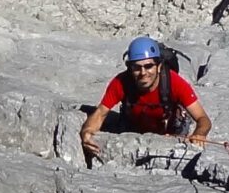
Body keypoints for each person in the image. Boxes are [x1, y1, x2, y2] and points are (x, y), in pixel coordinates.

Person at [80, 37, 212, 158]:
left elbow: (202, 118)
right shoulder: (121, 83)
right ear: (130, 68)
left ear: (159, 66)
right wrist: (87, 131)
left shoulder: (174, 82)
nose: (143, 73)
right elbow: (100, 113)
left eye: (148, 66)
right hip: (134, 130)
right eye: (137, 67)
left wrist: (199, 134)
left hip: (169, 132)